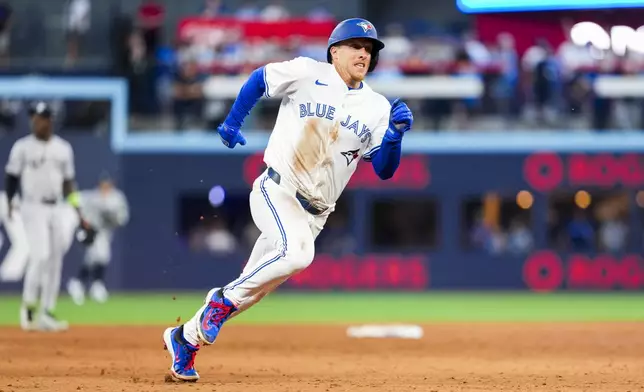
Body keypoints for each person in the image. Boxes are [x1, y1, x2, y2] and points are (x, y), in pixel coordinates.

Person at [161, 18, 414, 382]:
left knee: (253, 289)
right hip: (278, 189)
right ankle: (217, 302)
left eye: (370, 49)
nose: (364, 53)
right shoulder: (308, 71)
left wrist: (394, 136)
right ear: (334, 51)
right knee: (297, 255)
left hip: (315, 214)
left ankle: (185, 338)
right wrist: (233, 122)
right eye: (356, 45)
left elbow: (385, 170)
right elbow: (259, 80)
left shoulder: (376, 107)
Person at [4, 101, 93, 331]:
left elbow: (68, 184)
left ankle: (47, 311)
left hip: (56, 207)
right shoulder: (22, 147)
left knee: (55, 260)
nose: (38, 120)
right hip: (32, 206)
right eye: (35, 116)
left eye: (42, 116)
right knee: (41, 255)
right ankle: (29, 307)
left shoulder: (63, 148)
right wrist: (12, 200)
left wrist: (79, 212)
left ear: (50, 120)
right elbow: (12, 176)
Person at [66, 174, 129, 305]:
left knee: (95, 258)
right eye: (103, 184)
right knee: (99, 256)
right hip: (93, 231)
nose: (105, 186)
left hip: (106, 231)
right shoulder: (93, 196)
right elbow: (75, 198)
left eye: (107, 184)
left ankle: (79, 283)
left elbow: (123, 218)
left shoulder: (116, 198)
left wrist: (113, 216)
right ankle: (95, 285)